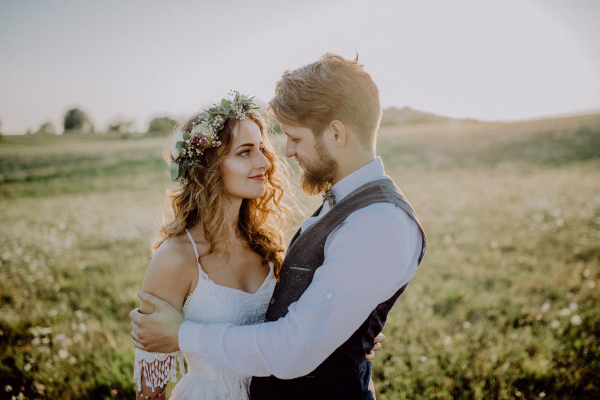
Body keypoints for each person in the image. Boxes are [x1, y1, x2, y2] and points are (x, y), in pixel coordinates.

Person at [131, 54, 426, 400]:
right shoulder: (176, 257)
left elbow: (294, 345)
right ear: (209, 167)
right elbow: (149, 381)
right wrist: (344, 330)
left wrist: (348, 336)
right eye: (246, 151)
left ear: (336, 133)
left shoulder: (373, 223)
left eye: (294, 139)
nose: (275, 157)